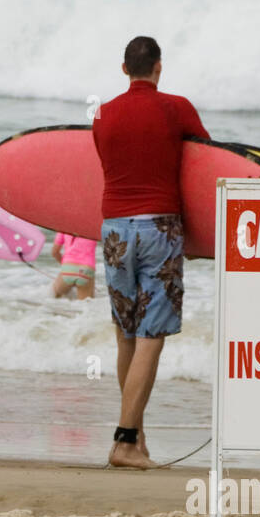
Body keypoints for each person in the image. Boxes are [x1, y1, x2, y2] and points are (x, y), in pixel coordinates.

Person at [94, 37, 210, 469]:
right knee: (151, 335)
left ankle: (136, 436)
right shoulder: (177, 108)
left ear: (124, 69)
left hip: (114, 230)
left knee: (126, 333)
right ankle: (124, 441)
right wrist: (202, 240)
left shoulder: (102, 114)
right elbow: (204, 168)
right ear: (158, 68)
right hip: (160, 227)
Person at [51, 233, 96, 300]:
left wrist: (66, 265)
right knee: (86, 305)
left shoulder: (64, 227)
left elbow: (54, 252)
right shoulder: (93, 227)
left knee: (54, 298)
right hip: (86, 269)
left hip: (68, 268)